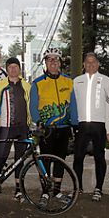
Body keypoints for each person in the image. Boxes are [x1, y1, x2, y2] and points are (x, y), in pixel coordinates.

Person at [29, 47, 75, 206]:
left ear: (60, 63)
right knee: (45, 162)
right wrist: (39, 123)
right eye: (50, 59)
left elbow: (74, 105)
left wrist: (74, 124)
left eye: (56, 59)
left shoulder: (68, 81)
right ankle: (44, 192)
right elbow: (33, 106)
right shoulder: (38, 83)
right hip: (46, 130)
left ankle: (56, 191)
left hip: (63, 129)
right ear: (45, 63)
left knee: (60, 162)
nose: (53, 61)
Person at [71, 52, 109, 201]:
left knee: (99, 157)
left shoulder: (106, 81)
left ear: (98, 64)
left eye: (93, 62)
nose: (90, 65)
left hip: (99, 124)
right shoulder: (77, 81)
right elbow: (73, 104)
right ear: (83, 64)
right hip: (82, 124)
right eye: (87, 63)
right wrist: (73, 123)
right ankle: (78, 187)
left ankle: (98, 189)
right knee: (78, 157)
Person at [0, 57, 31, 201]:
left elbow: (30, 105)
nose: (13, 69)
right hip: (6, 127)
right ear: (7, 69)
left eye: (16, 67)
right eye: (10, 67)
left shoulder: (26, 86)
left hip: (22, 128)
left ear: (19, 69)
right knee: (1, 157)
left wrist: (30, 121)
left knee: (20, 159)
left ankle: (18, 189)